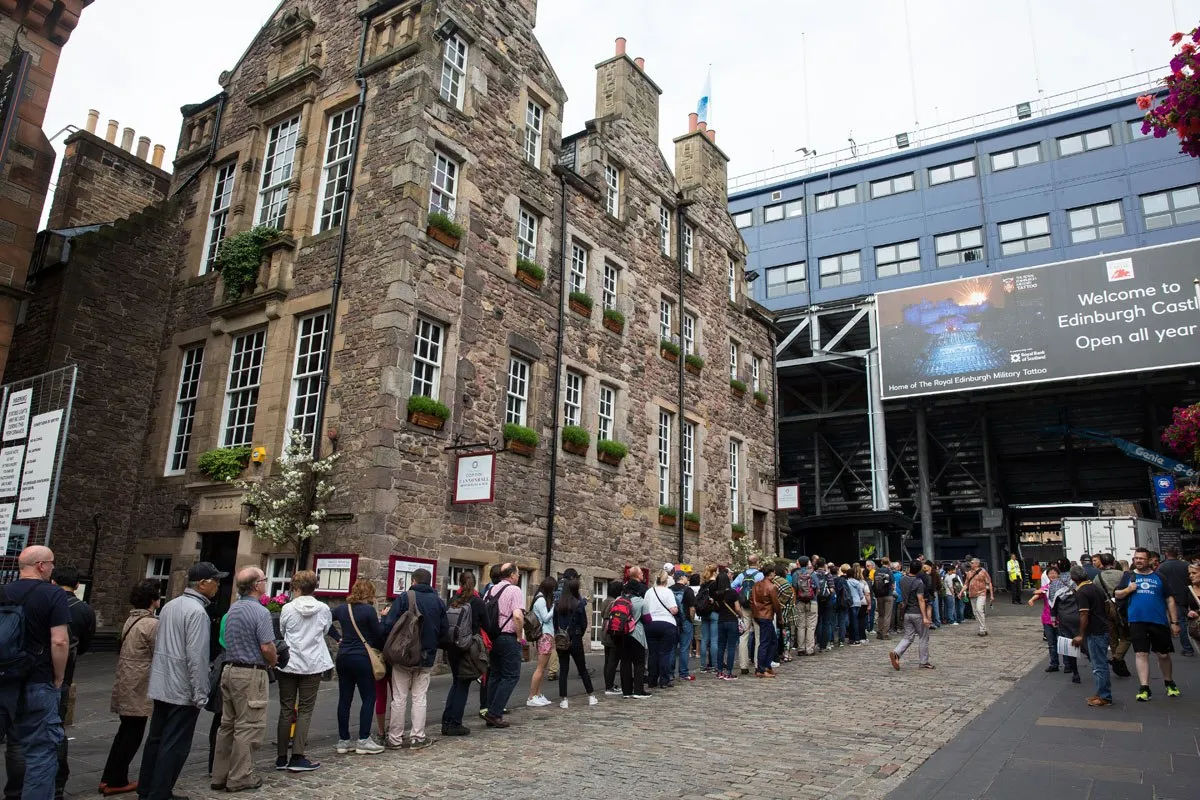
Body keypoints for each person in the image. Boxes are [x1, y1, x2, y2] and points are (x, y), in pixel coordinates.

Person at [137, 561, 223, 800]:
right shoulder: (197, 612)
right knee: (174, 744)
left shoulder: (170, 605)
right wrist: (200, 693)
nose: (218, 585)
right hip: (181, 688)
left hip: (162, 683)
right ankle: (160, 792)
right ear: (203, 584)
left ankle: (146, 789)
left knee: (156, 739)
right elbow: (196, 657)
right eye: (215, 581)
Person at [0, 546, 70, 800]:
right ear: (41, 565)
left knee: (14, 743)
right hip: (38, 680)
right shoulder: (53, 594)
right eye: (52, 563)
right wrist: (59, 677)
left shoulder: (3, 591)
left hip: (4, 679)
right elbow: (60, 641)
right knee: (41, 751)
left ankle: (13, 794)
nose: (53, 567)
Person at [211, 567, 277, 793]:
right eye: (264, 580)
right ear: (257, 585)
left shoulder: (233, 610)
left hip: (229, 669)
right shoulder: (260, 612)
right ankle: (240, 777)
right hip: (250, 672)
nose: (266, 583)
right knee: (248, 727)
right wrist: (274, 659)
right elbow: (267, 646)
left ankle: (220, 775)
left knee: (227, 725)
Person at [98, 581, 160, 796]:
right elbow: (158, 653)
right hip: (139, 684)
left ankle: (109, 776)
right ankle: (117, 780)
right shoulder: (151, 624)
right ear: (153, 600)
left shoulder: (132, 618)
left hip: (126, 680)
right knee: (132, 734)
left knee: (124, 732)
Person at [382, 567, 447, 750]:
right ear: (430, 582)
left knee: (399, 697)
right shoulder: (438, 601)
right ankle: (418, 737)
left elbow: (389, 625)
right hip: (427, 655)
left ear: (414, 581)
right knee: (420, 697)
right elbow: (444, 630)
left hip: (403, 655)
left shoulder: (404, 598)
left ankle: (395, 738)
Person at [276, 570, 332, 771]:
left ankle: (281, 756)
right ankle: (297, 755)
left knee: (286, 709)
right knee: (305, 710)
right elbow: (324, 631)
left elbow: (283, 631)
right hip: (312, 663)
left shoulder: (288, 609)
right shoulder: (323, 609)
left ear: (297, 587)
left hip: (289, 662)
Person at [1114, 547, 1182, 701]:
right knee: (1141, 653)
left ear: (1149, 560)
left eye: (1142, 558)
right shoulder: (1128, 576)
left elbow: (1169, 599)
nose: (1138, 561)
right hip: (1137, 621)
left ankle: (1169, 682)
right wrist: (1128, 589)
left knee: (1163, 654)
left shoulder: (1160, 577)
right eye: (1136, 558)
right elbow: (1116, 594)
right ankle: (1144, 687)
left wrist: (1174, 622)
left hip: (1159, 621)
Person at [330, 579, 385, 754]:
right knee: (368, 697)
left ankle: (343, 740)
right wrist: (382, 620)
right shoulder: (368, 610)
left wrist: (337, 637)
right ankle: (363, 739)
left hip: (343, 657)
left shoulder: (342, 608)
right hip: (362, 657)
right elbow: (378, 636)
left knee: (344, 699)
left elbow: (325, 621)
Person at [442, 570, 485, 735]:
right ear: (474, 583)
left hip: (452, 646)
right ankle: (455, 723)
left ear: (459, 583)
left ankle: (446, 721)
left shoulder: (453, 600)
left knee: (455, 682)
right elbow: (487, 625)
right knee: (463, 684)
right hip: (469, 647)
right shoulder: (478, 602)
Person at [484, 563, 525, 726]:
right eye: (518, 574)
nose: (519, 576)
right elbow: (517, 616)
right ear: (512, 575)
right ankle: (495, 713)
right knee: (511, 676)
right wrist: (519, 635)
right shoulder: (515, 590)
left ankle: (490, 710)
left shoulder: (490, 590)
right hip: (508, 636)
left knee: (495, 675)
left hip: (493, 636)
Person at [553, 576, 597, 708]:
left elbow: (555, 623)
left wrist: (559, 634)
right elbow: (584, 623)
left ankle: (564, 699)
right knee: (582, 668)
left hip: (562, 638)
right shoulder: (578, 604)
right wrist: (578, 634)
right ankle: (590, 696)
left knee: (564, 669)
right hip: (575, 638)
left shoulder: (558, 605)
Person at [1071, 566, 1112, 707]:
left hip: (1094, 631)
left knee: (1099, 665)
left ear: (1073, 579)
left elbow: (1084, 614)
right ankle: (1101, 692)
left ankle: (1105, 696)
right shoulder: (1095, 587)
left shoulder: (1081, 592)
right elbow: (1107, 607)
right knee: (1099, 664)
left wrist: (1081, 635)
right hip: (1102, 627)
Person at [889, 560, 933, 671]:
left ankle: (897, 652)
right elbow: (921, 600)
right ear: (919, 570)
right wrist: (925, 617)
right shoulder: (919, 582)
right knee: (923, 637)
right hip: (917, 612)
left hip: (906, 612)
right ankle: (923, 661)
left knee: (908, 637)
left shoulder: (903, 580)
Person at [1095, 553, 1132, 678]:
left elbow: (1097, 594)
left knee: (1113, 636)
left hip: (1106, 608)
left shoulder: (1098, 577)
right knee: (1127, 636)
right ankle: (1117, 658)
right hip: (1121, 607)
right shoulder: (1122, 575)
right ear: (1114, 562)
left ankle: (1118, 663)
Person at [615, 569, 650, 698]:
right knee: (639, 662)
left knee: (625, 662)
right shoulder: (641, 601)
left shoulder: (619, 599)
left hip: (621, 633)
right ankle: (638, 690)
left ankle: (626, 691)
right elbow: (648, 619)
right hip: (637, 634)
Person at [643, 572, 679, 689]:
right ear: (666, 581)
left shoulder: (649, 592)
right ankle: (664, 680)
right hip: (667, 624)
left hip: (651, 624)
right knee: (665, 653)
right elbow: (673, 610)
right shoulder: (668, 592)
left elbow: (645, 608)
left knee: (653, 653)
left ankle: (652, 679)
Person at [525, 577, 557, 707]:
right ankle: (532, 696)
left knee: (542, 668)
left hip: (546, 635)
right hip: (544, 635)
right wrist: (555, 607)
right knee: (540, 668)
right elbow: (545, 617)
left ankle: (538, 694)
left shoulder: (540, 598)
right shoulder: (541, 600)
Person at [1156, 548, 1194, 657]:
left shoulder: (1162, 567)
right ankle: (1188, 647)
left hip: (1169, 596)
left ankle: (1187, 648)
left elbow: (1159, 582)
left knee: (1178, 621)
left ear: (1167, 554)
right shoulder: (1185, 565)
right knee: (1186, 621)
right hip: (1186, 595)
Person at [731, 556, 762, 673]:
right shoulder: (760, 576)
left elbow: (733, 586)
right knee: (759, 636)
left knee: (744, 635)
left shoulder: (741, 575)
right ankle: (758, 664)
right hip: (757, 607)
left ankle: (743, 665)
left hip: (744, 606)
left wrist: (739, 597)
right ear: (757, 562)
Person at [1028, 565, 1062, 672]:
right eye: (1050, 573)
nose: (1052, 575)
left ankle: (1068, 664)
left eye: (1054, 573)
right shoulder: (1046, 587)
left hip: (1060, 619)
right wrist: (1032, 600)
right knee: (1051, 643)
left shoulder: (1062, 587)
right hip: (1047, 619)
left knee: (1063, 642)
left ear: (1058, 575)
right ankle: (1054, 663)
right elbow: (1038, 593)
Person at [750, 565, 781, 677]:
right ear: (771, 573)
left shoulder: (756, 585)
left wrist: (755, 613)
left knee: (772, 641)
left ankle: (766, 666)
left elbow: (751, 600)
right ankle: (761, 669)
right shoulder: (771, 587)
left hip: (758, 615)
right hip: (766, 616)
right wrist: (780, 617)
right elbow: (776, 604)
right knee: (765, 643)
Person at [714, 572, 743, 681]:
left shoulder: (716, 594)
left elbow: (716, 608)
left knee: (721, 646)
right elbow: (737, 608)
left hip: (721, 621)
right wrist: (741, 616)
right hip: (731, 620)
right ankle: (729, 672)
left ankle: (720, 671)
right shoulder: (732, 593)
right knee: (731, 647)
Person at [670, 570, 696, 680]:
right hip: (685, 620)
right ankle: (683, 673)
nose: (687, 579)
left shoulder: (669, 590)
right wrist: (691, 619)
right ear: (681, 577)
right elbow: (692, 608)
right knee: (684, 648)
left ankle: (670, 672)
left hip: (673, 621)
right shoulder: (688, 590)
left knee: (672, 647)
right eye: (686, 576)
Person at [599, 579, 623, 694]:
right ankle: (609, 686)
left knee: (608, 660)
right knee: (612, 661)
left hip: (604, 630)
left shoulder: (605, 601)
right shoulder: (614, 602)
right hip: (612, 631)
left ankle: (608, 684)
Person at [791, 557, 819, 653]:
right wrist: (814, 596)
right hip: (812, 601)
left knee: (800, 626)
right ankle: (810, 649)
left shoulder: (795, 574)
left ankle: (801, 648)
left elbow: (794, 588)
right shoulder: (812, 573)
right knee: (811, 626)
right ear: (808, 563)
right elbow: (818, 587)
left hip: (799, 602)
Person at [696, 566, 719, 672]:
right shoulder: (715, 585)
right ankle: (714, 665)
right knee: (714, 640)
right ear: (714, 573)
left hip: (704, 613)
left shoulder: (703, 585)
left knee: (704, 639)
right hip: (714, 612)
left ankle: (702, 666)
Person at [771, 566, 796, 661]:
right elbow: (788, 595)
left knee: (776, 632)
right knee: (786, 632)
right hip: (785, 611)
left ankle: (776, 653)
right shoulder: (785, 583)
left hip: (773, 610)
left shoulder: (772, 581)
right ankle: (786, 654)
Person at [965, 558, 994, 636]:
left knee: (979, 609)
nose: (970, 564)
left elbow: (989, 583)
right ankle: (983, 627)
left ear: (976, 564)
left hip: (981, 593)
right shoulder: (969, 573)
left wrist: (991, 595)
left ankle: (982, 629)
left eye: (971, 563)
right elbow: (966, 584)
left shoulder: (983, 572)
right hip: (972, 594)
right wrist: (961, 592)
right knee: (975, 613)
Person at [871, 559, 894, 640]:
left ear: (881, 562)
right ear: (888, 563)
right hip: (888, 595)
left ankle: (879, 633)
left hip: (879, 595)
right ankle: (885, 634)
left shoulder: (876, 571)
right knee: (887, 615)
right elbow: (892, 584)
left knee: (881, 615)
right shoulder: (889, 572)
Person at [848, 564, 868, 645]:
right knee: (856, 620)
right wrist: (859, 598)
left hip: (850, 603)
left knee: (852, 621)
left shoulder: (847, 582)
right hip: (858, 602)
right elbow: (861, 593)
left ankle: (854, 638)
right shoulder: (858, 582)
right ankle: (857, 638)